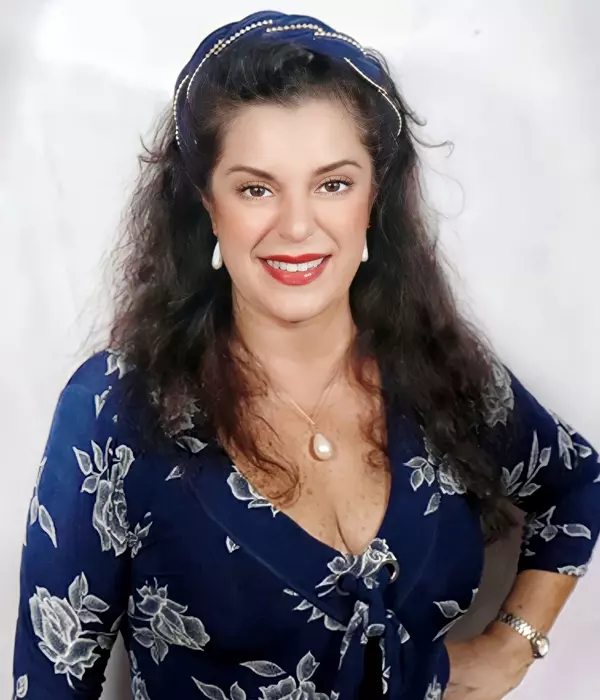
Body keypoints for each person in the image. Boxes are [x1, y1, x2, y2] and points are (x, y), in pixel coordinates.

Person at [11, 9, 600, 700]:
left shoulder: (438, 371)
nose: (296, 226)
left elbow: (577, 482)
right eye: (256, 188)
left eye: (333, 184)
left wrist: (514, 643)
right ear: (208, 206)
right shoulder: (116, 410)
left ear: (374, 198)